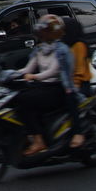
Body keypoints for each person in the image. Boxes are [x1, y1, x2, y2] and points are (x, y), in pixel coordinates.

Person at [15, 14, 83, 157]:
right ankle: (31, 133)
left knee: (25, 100)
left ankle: (40, 141)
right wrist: (10, 74)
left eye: (44, 31)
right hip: (43, 87)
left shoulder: (61, 50)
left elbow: (53, 71)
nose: (41, 35)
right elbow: (28, 69)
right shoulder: (40, 49)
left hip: (59, 88)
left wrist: (34, 76)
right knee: (18, 98)